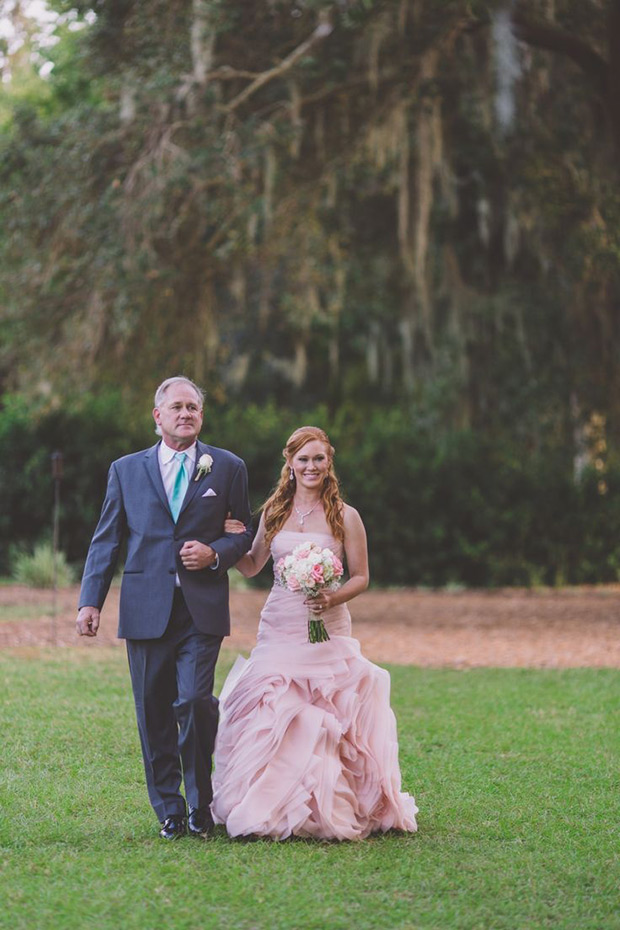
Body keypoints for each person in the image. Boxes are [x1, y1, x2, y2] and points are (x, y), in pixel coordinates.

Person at [212, 426, 418, 840]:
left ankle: (334, 802)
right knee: (276, 708)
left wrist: (332, 598)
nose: (311, 467)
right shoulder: (273, 511)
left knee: (332, 712)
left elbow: (361, 577)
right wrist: (231, 543)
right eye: (303, 459)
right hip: (280, 626)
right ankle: (270, 803)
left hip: (329, 625)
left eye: (319, 459)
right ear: (289, 463)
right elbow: (253, 566)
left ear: (329, 462)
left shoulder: (346, 515)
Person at [76, 376, 253, 840]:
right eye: (177, 406)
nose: (186, 413)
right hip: (145, 604)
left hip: (202, 607)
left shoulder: (228, 467)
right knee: (153, 708)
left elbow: (243, 533)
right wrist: (90, 601)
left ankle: (200, 805)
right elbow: (107, 538)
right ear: (158, 417)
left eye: (193, 407)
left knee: (194, 701)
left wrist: (215, 553)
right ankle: (168, 810)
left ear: (201, 415)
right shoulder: (125, 470)